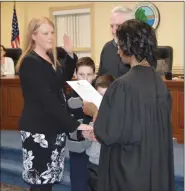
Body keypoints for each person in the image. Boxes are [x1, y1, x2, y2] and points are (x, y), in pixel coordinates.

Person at [83, 19, 175, 191]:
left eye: (120, 44)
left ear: (128, 47)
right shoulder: (160, 84)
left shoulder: (123, 86)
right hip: (155, 167)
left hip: (130, 171)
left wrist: (95, 111)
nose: (117, 50)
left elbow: (108, 133)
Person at [16, 17, 92, 191]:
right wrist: (74, 125)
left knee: (47, 181)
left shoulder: (50, 56)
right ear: (33, 36)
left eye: (52, 32)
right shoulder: (30, 62)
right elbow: (47, 99)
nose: (50, 37)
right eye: (45, 33)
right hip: (39, 131)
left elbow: (61, 78)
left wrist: (70, 54)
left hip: (54, 128)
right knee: (40, 182)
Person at [66, 56, 96, 191]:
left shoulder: (100, 95)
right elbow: (65, 123)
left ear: (95, 75)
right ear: (75, 75)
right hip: (78, 150)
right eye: (81, 74)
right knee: (79, 186)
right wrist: (80, 132)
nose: (85, 79)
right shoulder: (68, 98)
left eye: (89, 74)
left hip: (96, 152)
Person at [83, 74, 115, 191]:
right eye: (100, 95)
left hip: (109, 163)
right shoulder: (95, 110)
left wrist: (100, 136)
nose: (103, 100)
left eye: (106, 96)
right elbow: (89, 137)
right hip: (94, 161)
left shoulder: (117, 114)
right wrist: (87, 135)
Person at [97, 7, 134, 78]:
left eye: (118, 26)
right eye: (111, 26)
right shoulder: (107, 48)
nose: (113, 31)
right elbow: (101, 76)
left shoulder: (139, 50)